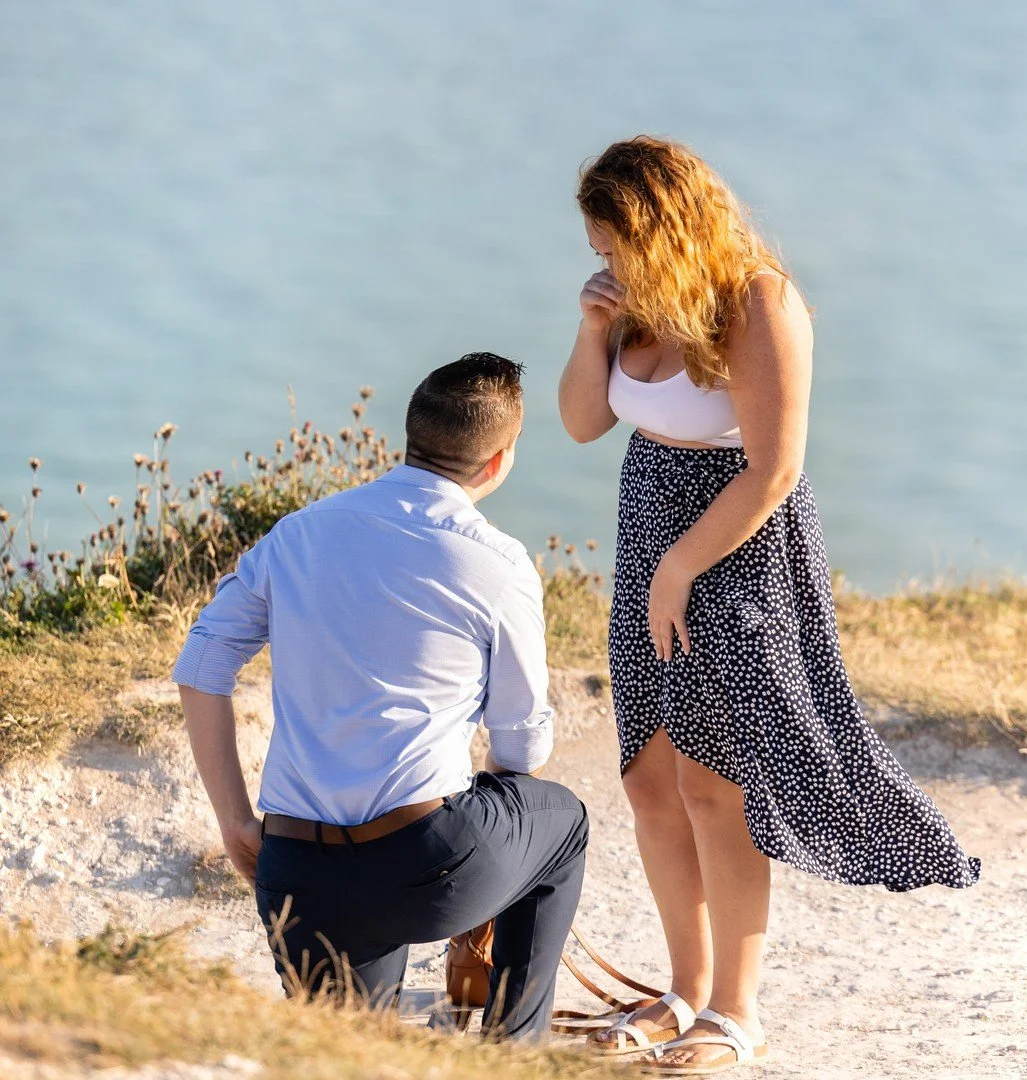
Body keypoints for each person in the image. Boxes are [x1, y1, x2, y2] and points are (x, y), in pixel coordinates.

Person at [558, 136, 979, 1074]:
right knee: (648, 778)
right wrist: (592, 333)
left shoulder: (759, 300)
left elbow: (775, 468)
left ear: (664, 230)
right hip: (649, 540)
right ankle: (682, 992)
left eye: (616, 243)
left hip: (738, 550)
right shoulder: (629, 307)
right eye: (596, 245)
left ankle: (735, 1014)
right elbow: (584, 423)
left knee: (717, 784)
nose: (605, 262)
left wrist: (681, 569)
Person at [173, 353, 588, 1042]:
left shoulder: (300, 533)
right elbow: (521, 746)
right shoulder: (497, 561)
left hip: (298, 876)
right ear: (498, 460)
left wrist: (236, 823)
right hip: (428, 870)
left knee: (352, 1055)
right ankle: (513, 1053)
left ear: (410, 436)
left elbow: (201, 666)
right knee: (562, 823)